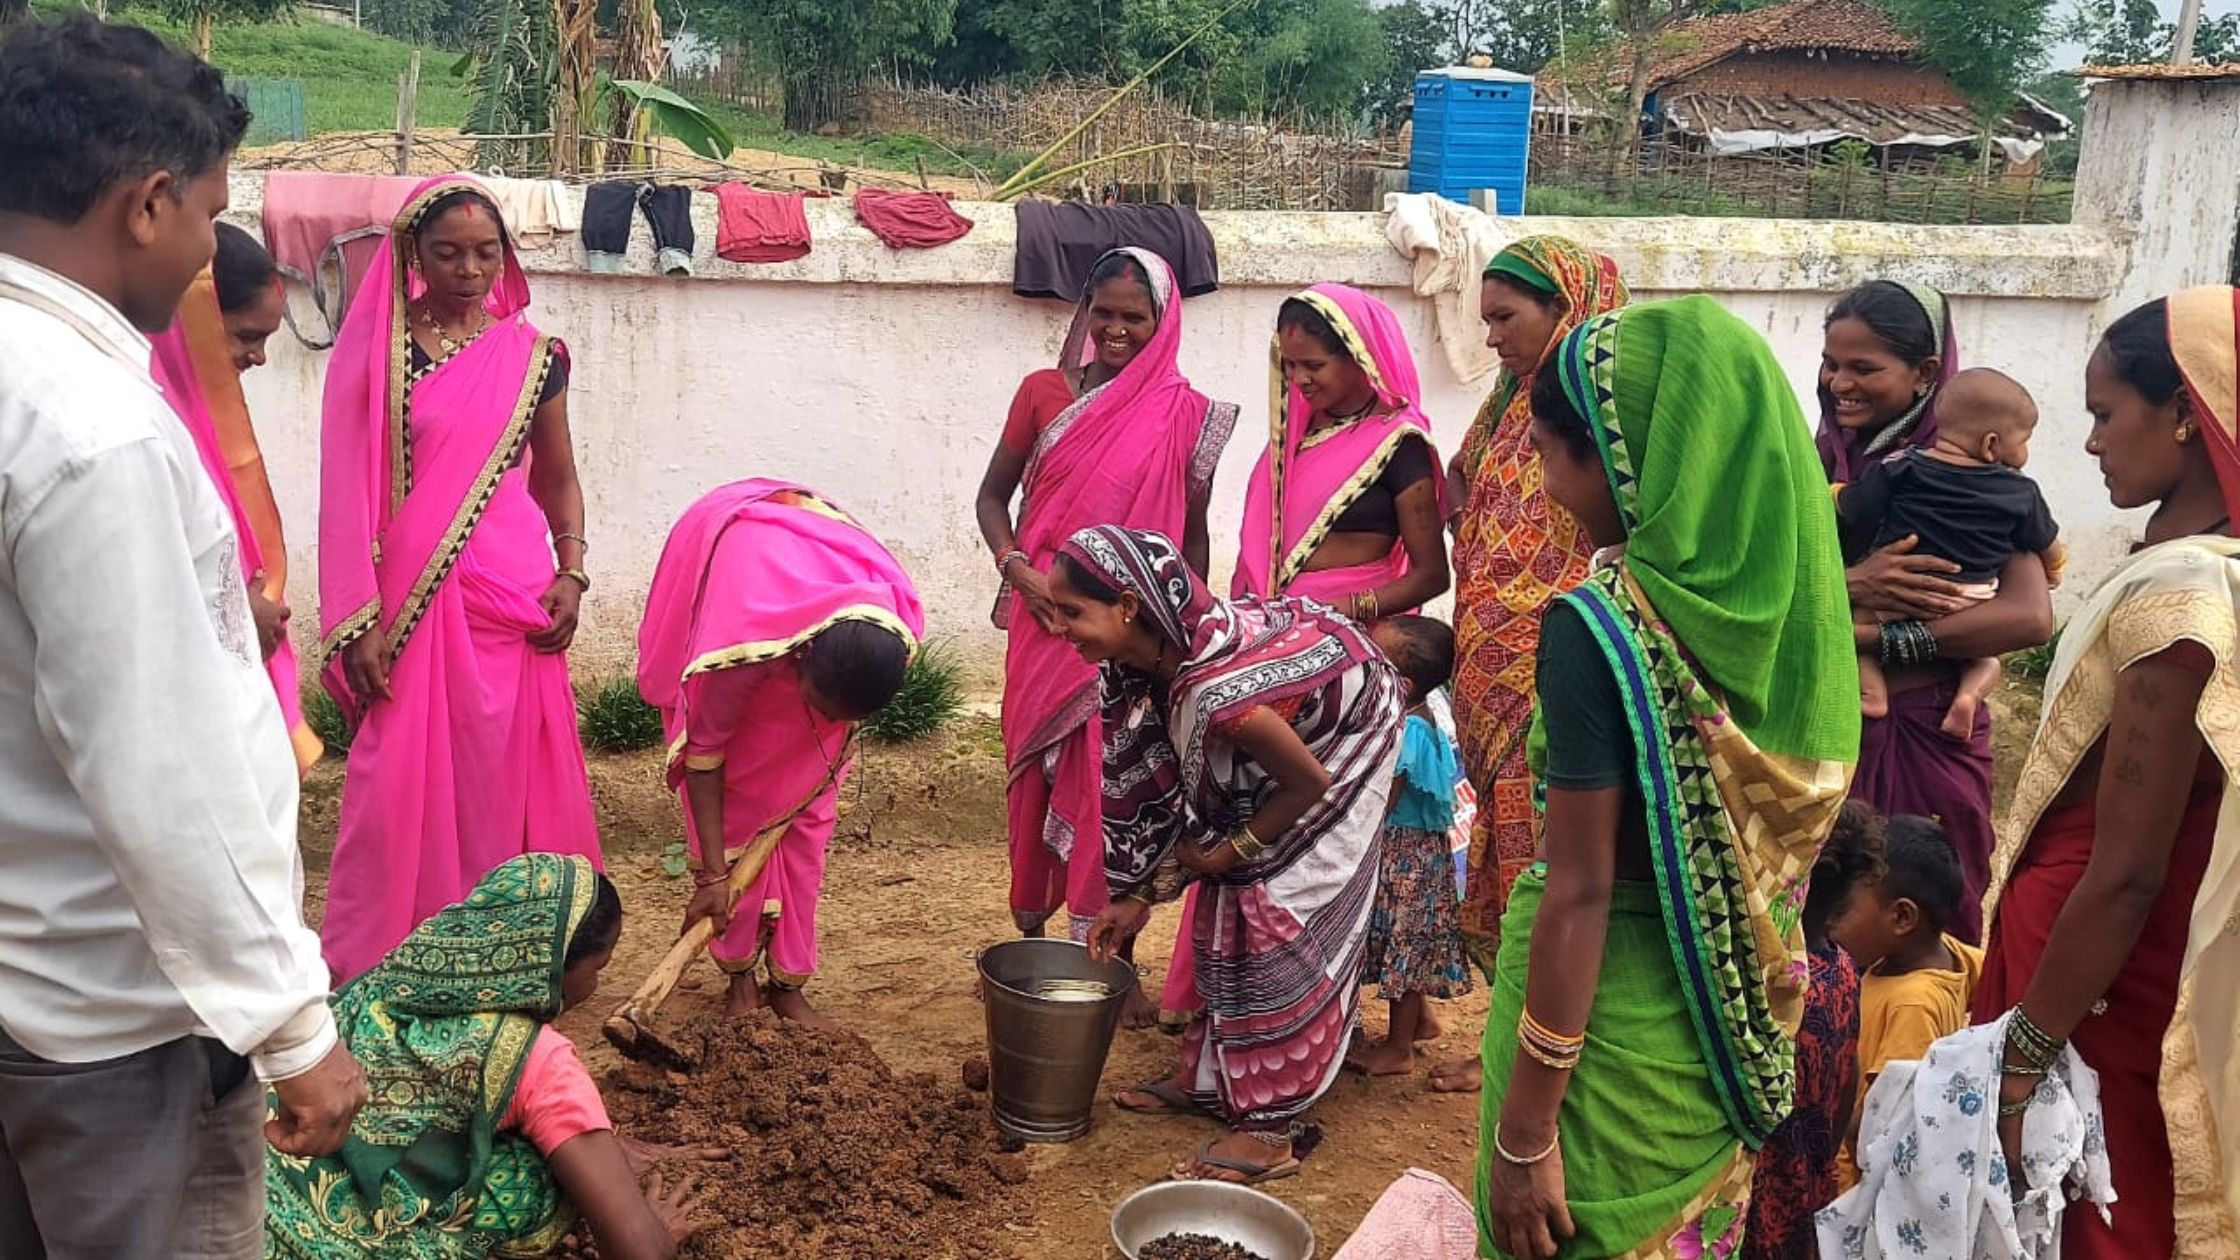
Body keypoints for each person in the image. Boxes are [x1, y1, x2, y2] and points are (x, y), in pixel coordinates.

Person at [0, 16, 365, 1256]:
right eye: (211, 213)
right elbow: (160, 768)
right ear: (148, 205)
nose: (214, 246)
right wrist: (293, 1028)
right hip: (113, 1021)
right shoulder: (91, 430)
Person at [1476, 297, 1858, 1260]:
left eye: (1551, 457)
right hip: (1723, 1045)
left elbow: (1581, 891)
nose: (1546, 488)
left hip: (1594, 1046)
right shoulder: (1800, 627)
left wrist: (1525, 1134)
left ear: (1626, 462)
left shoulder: (1600, 631)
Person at [1972, 288, 2240, 1257]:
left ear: (2184, 412)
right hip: (2085, 959)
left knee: (2091, 1207)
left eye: (2103, 413)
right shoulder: (2192, 571)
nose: (2089, 442)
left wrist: (2023, 1056)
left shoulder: (2182, 603)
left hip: (2094, 979)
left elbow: (2126, 869)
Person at [316, 173, 601, 983]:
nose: (469, 271)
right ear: (414, 254)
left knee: (504, 783)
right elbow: (345, 488)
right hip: (412, 605)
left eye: (485, 253)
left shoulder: (534, 358)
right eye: (448, 253)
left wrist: (573, 572)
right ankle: (389, 959)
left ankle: (509, 957)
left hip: (514, 600)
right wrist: (359, 618)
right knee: (395, 787)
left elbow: (557, 477)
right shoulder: (381, 352)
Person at [1065, 525, 1405, 1185]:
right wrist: (1139, 894)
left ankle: (1273, 1126)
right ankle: (1211, 1080)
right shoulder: (1143, 671)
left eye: (1072, 612)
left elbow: (1308, 783)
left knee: (1275, 909)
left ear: (1129, 607)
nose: (1059, 628)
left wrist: (1231, 852)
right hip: (1293, 739)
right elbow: (1168, 797)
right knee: (1226, 905)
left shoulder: (1218, 692)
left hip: (1348, 738)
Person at [974, 248, 1236, 1028]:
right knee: (1034, 783)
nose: (1117, 329)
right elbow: (992, 499)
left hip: (1133, 638)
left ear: (1164, 321)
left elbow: (1191, 538)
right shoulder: (1042, 394)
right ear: (1085, 312)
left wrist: (1190, 630)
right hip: (1044, 627)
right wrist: (1020, 572)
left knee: (1121, 790)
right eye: (1105, 313)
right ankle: (1033, 945)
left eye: (1135, 317)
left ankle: (1109, 961)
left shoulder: (1188, 414)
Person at [266, 853, 715, 1260]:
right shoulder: (540, 1059)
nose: (595, 986)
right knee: (543, 1176)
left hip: (260, 1188)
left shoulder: (391, 978)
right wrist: (658, 1230)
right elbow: (639, 1251)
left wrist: (604, 1147)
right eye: (599, 968)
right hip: (334, 1243)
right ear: (556, 967)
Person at [1436, 237, 1629, 1095]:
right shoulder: (1508, 406)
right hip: (1488, 673)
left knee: (1547, 866)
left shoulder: (1604, 414)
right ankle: (1507, 1037)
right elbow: (1462, 486)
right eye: (1486, 321)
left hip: (1556, 674)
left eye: (1506, 319)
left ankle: (1535, 1054)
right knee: (1510, 858)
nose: (1491, 339)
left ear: (1568, 308)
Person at [640, 479, 925, 1029]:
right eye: (820, 706)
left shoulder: (888, 629)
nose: (832, 722)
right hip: (748, 674)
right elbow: (705, 754)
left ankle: (789, 982)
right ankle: (740, 979)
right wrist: (713, 878)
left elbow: (842, 702)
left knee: (805, 842)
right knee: (735, 829)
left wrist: (827, 724)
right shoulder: (737, 650)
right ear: (802, 654)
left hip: (806, 680)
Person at [1817, 280, 2052, 944]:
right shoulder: (1817, 464)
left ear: (1925, 374)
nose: (1840, 383)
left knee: (1927, 917)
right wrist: (1853, 580)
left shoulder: (1982, 478)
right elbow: (1766, 583)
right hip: (1829, 719)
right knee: (1827, 913)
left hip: (1934, 725)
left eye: (1864, 368)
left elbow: (2028, 617)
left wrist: (1882, 639)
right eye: (1831, 363)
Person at [148, 220, 323, 773]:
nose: (260, 357)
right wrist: (235, 611)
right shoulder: (146, 423)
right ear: (194, 320)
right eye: (247, 337)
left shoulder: (199, 417)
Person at [1837, 368, 2062, 738]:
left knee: (1861, 627)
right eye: (2025, 441)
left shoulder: (1903, 466)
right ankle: (1969, 695)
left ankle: (1872, 692)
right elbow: (2045, 540)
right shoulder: (2020, 492)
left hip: (1897, 592)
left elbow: (1857, 507)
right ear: (1991, 444)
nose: (2025, 452)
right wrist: (2054, 566)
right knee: (1984, 661)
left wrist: (1834, 494)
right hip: (1970, 601)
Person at [1233, 283, 1449, 617]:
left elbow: (1431, 576)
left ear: (1359, 355)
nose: (1299, 379)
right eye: (1289, 365)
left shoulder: (1399, 442)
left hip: (1350, 627)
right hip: (1269, 620)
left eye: (1314, 366)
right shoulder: (1294, 435)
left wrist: (1340, 610)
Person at [1743, 804, 1876, 1260]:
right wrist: (1821, 1160)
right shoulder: (1845, 971)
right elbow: (1848, 1075)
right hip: (1809, 1187)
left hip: (1760, 1200)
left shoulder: (1771, 986)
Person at [1347, 614, 1473, 1078]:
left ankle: (1398, 1048)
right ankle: (1420, 1021)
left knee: (1403, 943)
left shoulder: (1408, 731)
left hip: (1403, 855)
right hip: (1421, 853)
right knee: (1408, 940)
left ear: (1400, 684)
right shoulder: (1425, 717)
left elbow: (1386, 798)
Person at [1829, 816, 1982, 1188]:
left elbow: (1886, 1122)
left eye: (1841, 910)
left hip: (1850, 1188)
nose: (1830, 924)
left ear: (1901, 917)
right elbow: (1989, 971)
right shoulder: (1948, 953)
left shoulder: (1912, 1005)